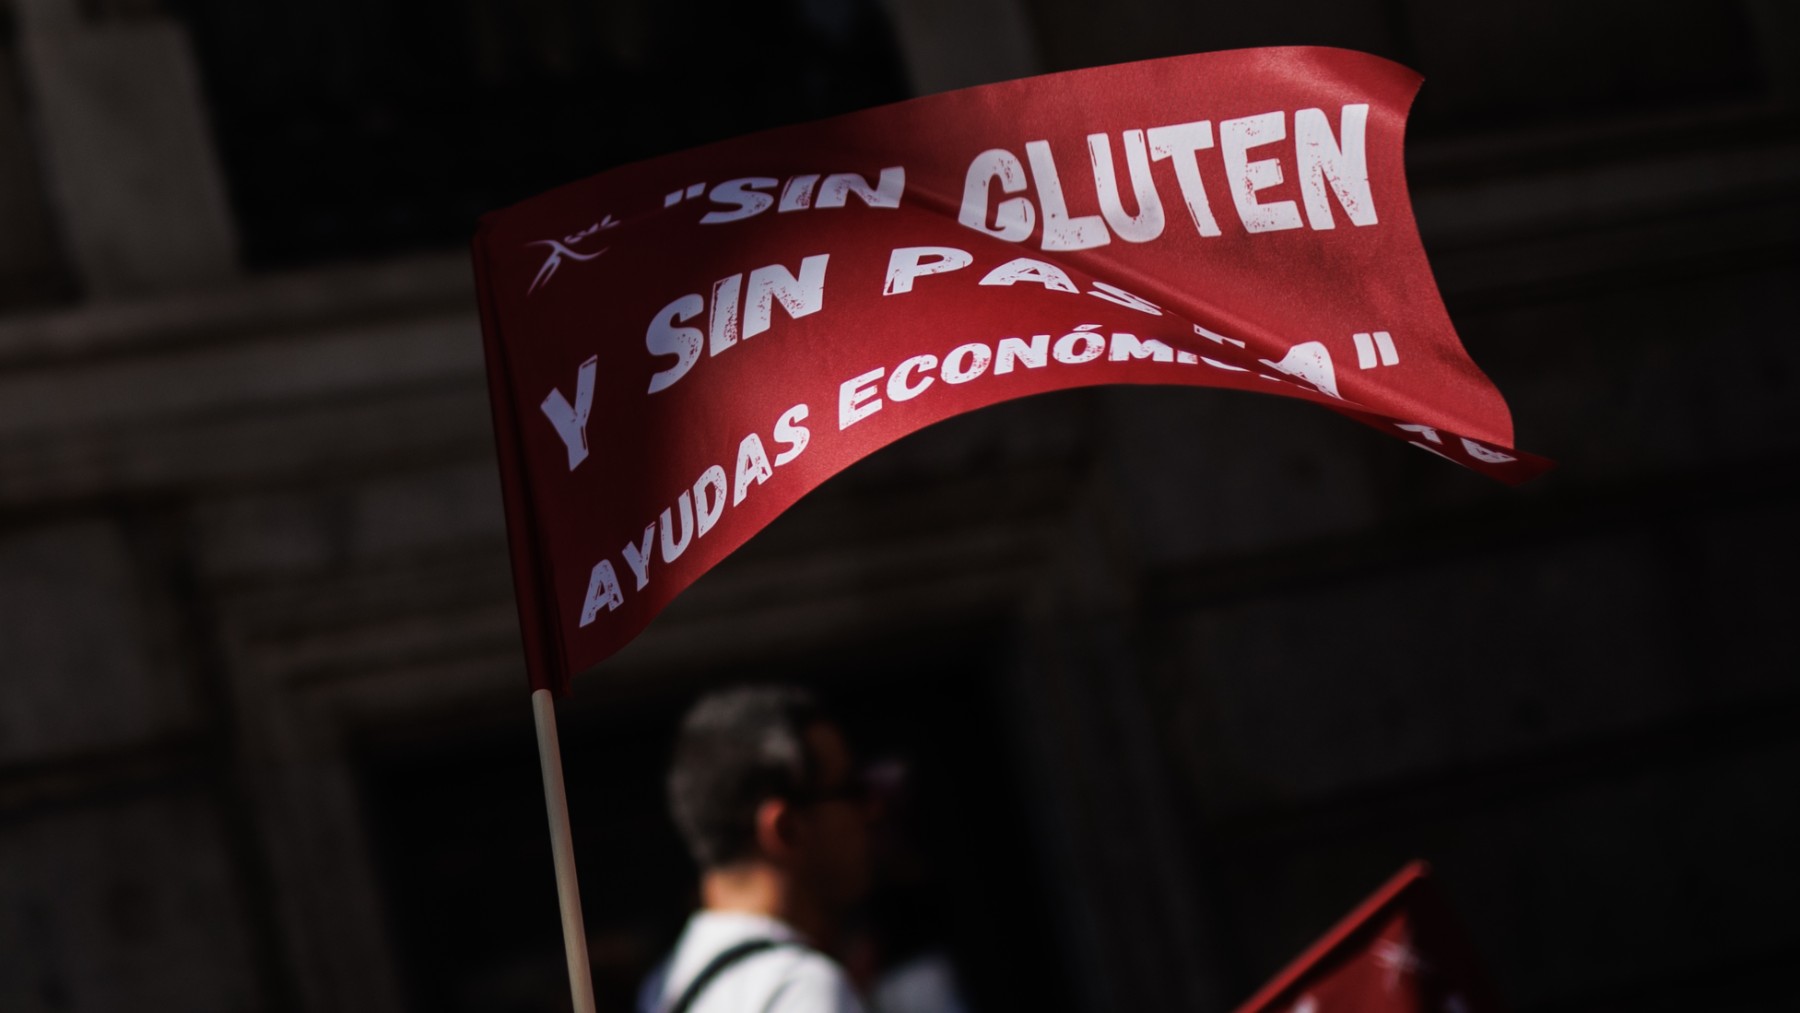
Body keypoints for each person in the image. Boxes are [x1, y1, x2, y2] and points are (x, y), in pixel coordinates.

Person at [639, 685, 874, 1013]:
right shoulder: (801, 988)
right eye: (852, 791)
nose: (872, 813)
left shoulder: (665, 985)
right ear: (785, 828)